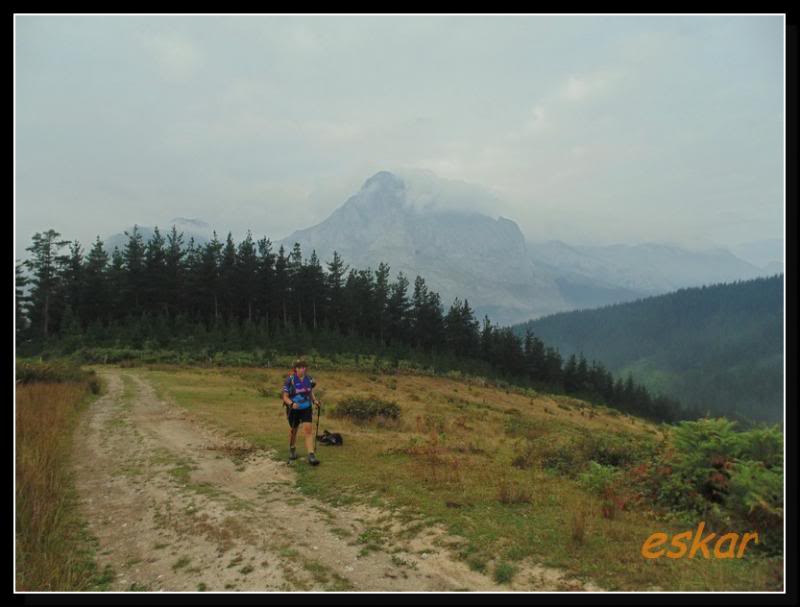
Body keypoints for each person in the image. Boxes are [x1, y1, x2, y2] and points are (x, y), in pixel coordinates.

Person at [282, 357, 320, 465]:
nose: (302, 369)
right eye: (299, 367)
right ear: (295, 369)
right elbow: (285, 397)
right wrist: (291, 404)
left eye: (304, 367)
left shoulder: (309, 379)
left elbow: (310, 391)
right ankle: (292, 449)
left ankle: (311, 455)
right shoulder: (290, 380)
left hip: (306, 408)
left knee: (308, 430)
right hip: (293, 409)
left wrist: (315, 400)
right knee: (294, 430)